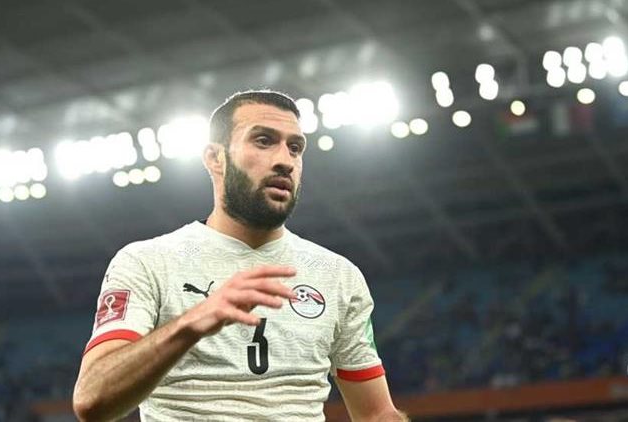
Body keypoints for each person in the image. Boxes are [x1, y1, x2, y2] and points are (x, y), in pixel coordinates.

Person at [72, 90, 405, 421]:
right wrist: (191, 323)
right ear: (215, 158)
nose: (285, 161)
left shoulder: (338, 275)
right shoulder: (147, 262)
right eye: (263, 141)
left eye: (295, 147)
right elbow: (91, 399)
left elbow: (377, 414)